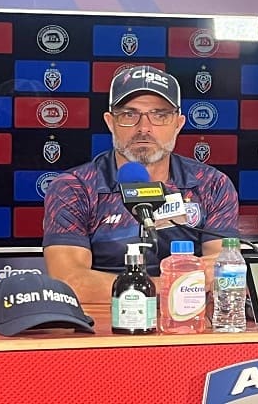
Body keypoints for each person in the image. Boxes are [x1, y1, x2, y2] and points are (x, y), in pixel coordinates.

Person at [42, 65, 239, 303]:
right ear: (110, 122)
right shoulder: (75, 187)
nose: (144, 128)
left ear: (178, 124)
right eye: (129, 115)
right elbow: (69, 281)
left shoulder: (212, 185)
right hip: (106, 321)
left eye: (160, 115)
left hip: (189, 318)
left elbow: (224, 269)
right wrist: (170, 288)